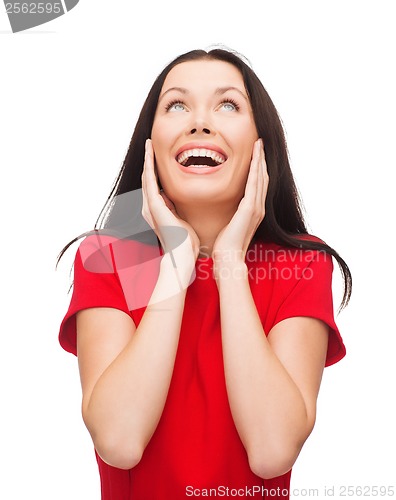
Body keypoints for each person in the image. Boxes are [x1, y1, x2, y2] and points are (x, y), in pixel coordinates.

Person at [59, 48, 352, 500]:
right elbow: (118, 441)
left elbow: (272, 450)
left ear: (261, 144)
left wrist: (230, 262)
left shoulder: (304, 265)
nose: (199, 123)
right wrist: (177, 263)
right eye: (176, 105)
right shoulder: (107, 257)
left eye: (228, 105)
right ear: (150, 145)